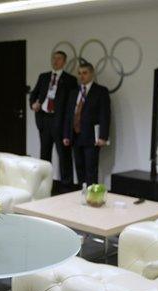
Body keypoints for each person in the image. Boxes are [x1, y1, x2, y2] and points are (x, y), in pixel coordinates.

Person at [30, 50, 78, 188]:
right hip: (44, 120)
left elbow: (71, 104)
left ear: (64, 62)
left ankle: (66, 186)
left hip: (60, 122)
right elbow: (34, 94)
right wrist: (33, 104)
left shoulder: (70, 80)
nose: (55, 61)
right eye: (54, 58)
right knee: (44, 154)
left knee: (64, 155)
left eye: (59, 59)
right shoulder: (44, 77)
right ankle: (44, 186)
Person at [63, 61, 111, 187]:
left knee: (91, 169)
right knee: (79, 168)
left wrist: (103, 137)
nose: (81, 76)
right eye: (79, 73)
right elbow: (69, 115)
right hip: (75, 136)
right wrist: (66, 135)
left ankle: (92, 197)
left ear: (92, 74)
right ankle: (82, 194)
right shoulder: (74, 92)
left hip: (91, 137)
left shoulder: (100, 91)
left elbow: (104, 115)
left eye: (84, 73)